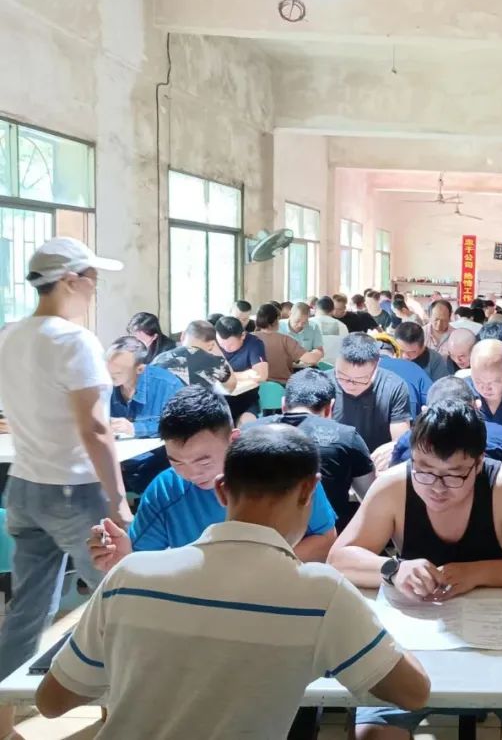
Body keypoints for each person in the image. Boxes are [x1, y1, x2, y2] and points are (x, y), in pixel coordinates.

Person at [38, 425, 429, 739]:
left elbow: (52, 701)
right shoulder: (321, 595)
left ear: (222, 489)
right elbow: (413, 692)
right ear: (310, 488)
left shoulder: (128, 575)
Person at [328, 399, 502, 740]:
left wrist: (479, 573)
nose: (436, 487)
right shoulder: (395, 486)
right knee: (373, 735)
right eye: (425, 469)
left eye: (454, 475)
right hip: (414, 643)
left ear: (478, 463)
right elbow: (338, 560)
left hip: (500, 636)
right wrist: (393, 568)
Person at [0, 237, 130, 739]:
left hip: (24, 487)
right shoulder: (75, 341)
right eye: (92, 281)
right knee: (118, 602)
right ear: (70, 281)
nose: (95, 290)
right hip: (75, 490)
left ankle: (3, 724)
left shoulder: (11, 334)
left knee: (27, 611)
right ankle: (119, 717)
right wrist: (118, 501)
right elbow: (93, 429)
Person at [89, 386, 339, 572]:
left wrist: (245, 572)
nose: (191, 474)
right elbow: (140, 559)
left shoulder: (283, 471)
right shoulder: (166, 490)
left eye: (203, 461)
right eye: (176, 462)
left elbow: (325, 540)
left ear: (233, 439)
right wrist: (122, 558)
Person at [389, 377, 502, 508]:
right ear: (477, 407)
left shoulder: (407, 441)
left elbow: (393, 495)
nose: (440, 488)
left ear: (425, 411)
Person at [253, 369, 374, 531]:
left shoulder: (249, 432)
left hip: (260, 538)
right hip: (329, 539)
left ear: (283, 404)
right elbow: (370, 497)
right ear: (330, 408)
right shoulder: (347, 437)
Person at [329, 333, 412, 451]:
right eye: (342, 376)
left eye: (360, 380)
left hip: (376, 458)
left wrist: (392, 448)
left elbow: (400, 442)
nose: (350, 385)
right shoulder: (323, 383)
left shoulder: (394, 387)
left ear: (376, 366)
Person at [106, 336, 184, 438]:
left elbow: (179, 426)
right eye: (106, 369)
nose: (108, 376)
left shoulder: (168, 385)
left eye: (117, 372)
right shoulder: (103, 384)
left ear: (140, 369)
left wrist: (135, 428)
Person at [152, 319, 237, 393]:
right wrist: (217, 350)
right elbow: (231, 387)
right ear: (211, 345)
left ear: (182, 335)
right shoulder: (212, 362)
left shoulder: (160, 358)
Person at [215, 315, 268, 425]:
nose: (225, 349)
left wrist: (227, 376)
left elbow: (261, 375)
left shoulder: (254, 343)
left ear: (243, 335)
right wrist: (245, 374)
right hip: (217, 400)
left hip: (245, 400)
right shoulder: (211, 343)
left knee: (247, 425)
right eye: (221, 344)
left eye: (230, 345)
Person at [253, 303, 322, 384]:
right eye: (297, 321)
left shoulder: (249, 338)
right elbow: (311, 359)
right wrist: (318, 353)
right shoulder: (285, 340)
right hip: (282, 385)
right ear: (277, 320)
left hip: (255, 385)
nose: (300, 325)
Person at [374, 335, 432, 419]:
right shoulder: (412, 367)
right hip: (408, 422)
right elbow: (432, 398)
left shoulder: (362, 368)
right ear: (395, 355)